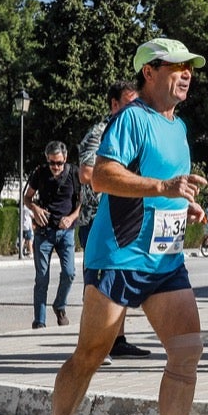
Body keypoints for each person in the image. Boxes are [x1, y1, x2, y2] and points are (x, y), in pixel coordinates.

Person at [33, 37, 208, 415]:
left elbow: (164, 185)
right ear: (150, 72)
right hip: (119, 255)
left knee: (187, 350)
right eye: (177, 66)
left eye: (190, 68)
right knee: (91, 355)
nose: (187, 75)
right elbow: (102, 175)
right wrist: (164, 190)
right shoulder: (131, 118)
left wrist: (185, 206)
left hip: (164, 259)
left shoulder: (177, 126)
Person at [77, 80, 148, 358]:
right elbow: (86, 173)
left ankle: (116, 340)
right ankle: (93, 345)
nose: (136, 108)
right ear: (114, 104)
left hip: (124, 218)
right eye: (130, 102)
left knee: (120, 281)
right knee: (97, 286)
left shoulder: (133, 130)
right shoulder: (100, 131)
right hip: (96, 218)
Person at [25, 141, 81, 328]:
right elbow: (27, 197)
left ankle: (60, 305)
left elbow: (83, 202)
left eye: (59, 163)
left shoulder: (74, 173)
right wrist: (35, 208)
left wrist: (71, 217)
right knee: (42, 277)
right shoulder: (40, 173)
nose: (56, 167)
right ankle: (39, 321)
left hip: (66, 232)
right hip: (44, 232)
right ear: (47, 160)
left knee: (70, 273)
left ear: (65, 159)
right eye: (52, 163)